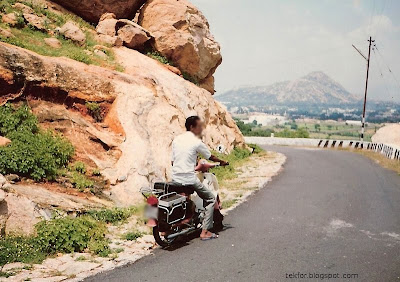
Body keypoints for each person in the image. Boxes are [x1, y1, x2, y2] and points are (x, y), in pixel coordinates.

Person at [171, 116, 228, 240]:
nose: (201, 129)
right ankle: (205, 232)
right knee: (210, 199)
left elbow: (172, 161)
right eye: (199, 126)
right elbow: (210, 156)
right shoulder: (196, 142)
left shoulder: (176, 139)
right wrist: (222, 162)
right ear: (192, 127)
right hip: (189, 178)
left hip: (175, 177)